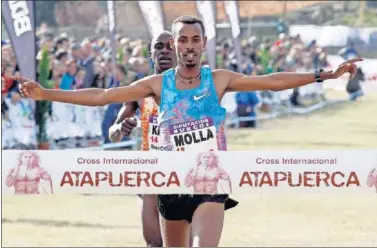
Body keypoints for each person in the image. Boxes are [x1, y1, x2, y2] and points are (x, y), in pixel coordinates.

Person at [16, 15, 361, 247]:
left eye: (196, 39)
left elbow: (272, 82)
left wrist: (324, 75)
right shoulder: (156, 84)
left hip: (210, 182)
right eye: (183, 39)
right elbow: (104, 95)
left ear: (204, 43)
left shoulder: (219, 79)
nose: (190, 45)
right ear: (176, 45)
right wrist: (47, 93)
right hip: (169, 183)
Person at [108, 30, 238, 247]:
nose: (164, 51)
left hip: (190, 172)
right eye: (158, 47)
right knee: (154, 243)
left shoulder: (197, 86)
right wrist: (120, 128)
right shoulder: (140, 90)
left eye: (169, 46)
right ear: (151, 54)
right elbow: (113, 134)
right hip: (153, 171)